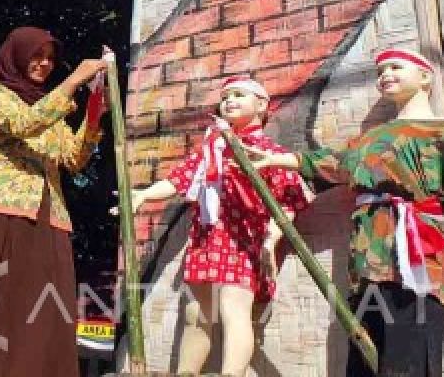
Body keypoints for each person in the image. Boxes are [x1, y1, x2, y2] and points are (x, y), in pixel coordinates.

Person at [248, 48, 444, 376]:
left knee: (413, 335)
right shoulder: (370, 140)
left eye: (396, 67)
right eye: (380, 71)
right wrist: (278, 159)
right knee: (366, 341)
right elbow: (336, 163)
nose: (386, 75)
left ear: (425, 78)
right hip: (370, 253)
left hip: (422, 248)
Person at [0, 27, 108, 377]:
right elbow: (23, 123)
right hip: (0, 209)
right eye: (37, 56)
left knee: (42, 312)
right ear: (17, 55)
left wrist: (94, 111)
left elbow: (74, 158)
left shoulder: (52, 109)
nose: (44, 64)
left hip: (50, 214)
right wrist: (73, 80)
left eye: (51, 59)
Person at [116, 76, 310, 377]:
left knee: (234, 310)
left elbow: (289, 202)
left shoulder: (268, 153)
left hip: (244, 239)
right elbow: (178, 180)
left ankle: (233, 373)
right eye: (226, 96)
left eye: (238, 95)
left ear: (261, 105)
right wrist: (142, 196)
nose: (229, 101)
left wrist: (270, 242)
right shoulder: (211, 149)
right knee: (197, 313)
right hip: (207, 238)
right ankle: (187, 372)